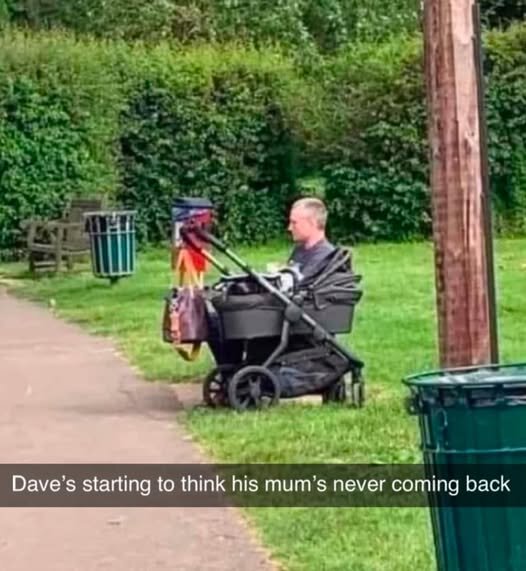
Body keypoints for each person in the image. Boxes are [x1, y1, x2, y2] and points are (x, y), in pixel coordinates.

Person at [287, 197, 335, 281]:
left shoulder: (326, 257)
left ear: (312, 223)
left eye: (294, 222)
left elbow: (302, 286)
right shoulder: (299, 249)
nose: (290, 228)